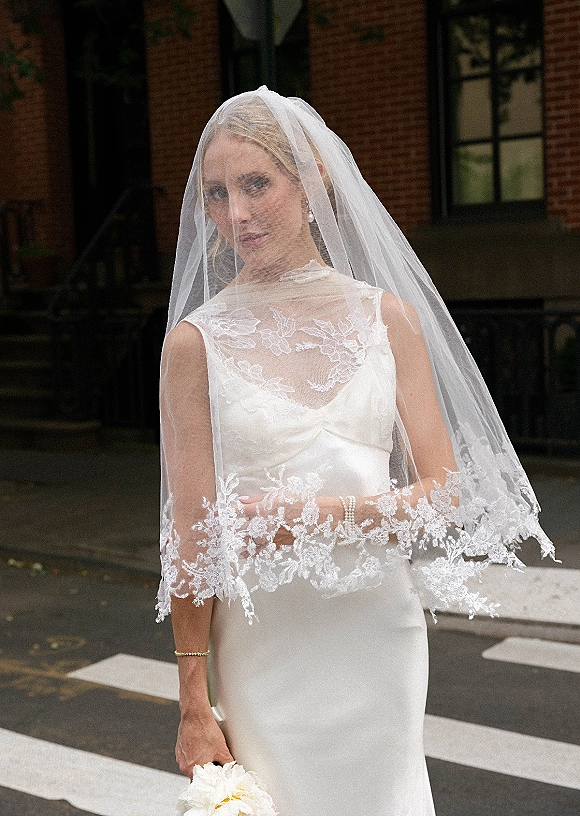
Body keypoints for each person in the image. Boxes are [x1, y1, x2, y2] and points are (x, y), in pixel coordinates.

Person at [156, 87, 554, 816]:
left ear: (312, 182)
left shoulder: (388, 320)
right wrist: (191, 699)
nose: (235, 214)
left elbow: (445, 495)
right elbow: (190, 541)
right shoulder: (194, 345)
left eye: (256, 185)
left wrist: (318, 513)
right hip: (263, 642)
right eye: (216, 193)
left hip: (376, 633)